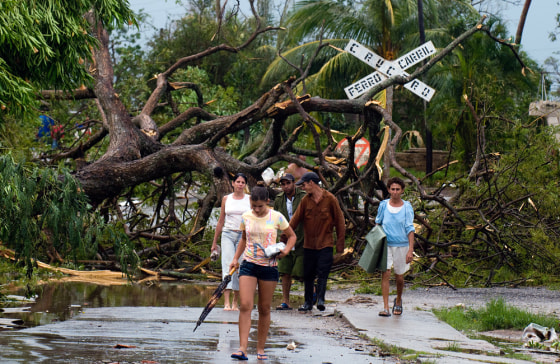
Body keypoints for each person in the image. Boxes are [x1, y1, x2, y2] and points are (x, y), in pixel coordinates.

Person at [229, 182, 296, 361]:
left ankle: (260, 348)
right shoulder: (246, 217)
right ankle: (242, 348)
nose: (257, 210)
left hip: (269, 267)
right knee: (245, 305)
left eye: (260, 206)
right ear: (250, 203)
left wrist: (286, 250)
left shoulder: (277, 217)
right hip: (249, 264)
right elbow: (243, 239)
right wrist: (236, 258)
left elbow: (292, 236)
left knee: (264, 308)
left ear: (267, 201)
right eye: (254, 206)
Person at [289, 171, 346, 312]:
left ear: (312, 183)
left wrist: (340, 246)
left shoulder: (330, 199)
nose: (303, 187)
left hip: (325, 243)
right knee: (308, 274)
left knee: (323, 272)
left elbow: (340, 222)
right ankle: (308, 302)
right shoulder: (305, 201)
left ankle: (320, 299)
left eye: (304, 184)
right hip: (309, 245)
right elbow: (294, 221)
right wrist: (285, 237)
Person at [375, 177, 415, 317]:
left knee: (399, 276)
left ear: (402, 190)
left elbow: (410, 229)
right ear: (388, 190)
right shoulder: (383, 205)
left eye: (398, 189)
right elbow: (378, 224)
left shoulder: (407, 207)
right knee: (385, 273)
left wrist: (410, 250)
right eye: (393, 189)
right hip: (386, 245)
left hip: (401, 245)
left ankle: (398, 300)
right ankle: (385, 307)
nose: (395, 192)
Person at [211, 173, 251, 311]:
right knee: (227, 266)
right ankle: (226, 302)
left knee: (239, 267)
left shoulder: (249, 199)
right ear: (232, 183)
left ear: (245, 185)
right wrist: (214, 242)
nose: (240, 184)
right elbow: (221, 220)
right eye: (238, 182)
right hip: (228, 233)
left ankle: (235, 301)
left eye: (243, 182)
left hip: (243, 236)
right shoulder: (226, 199)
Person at [273, 173, 306, 310]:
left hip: (302, 237)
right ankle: (286, 301)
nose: (286, 186)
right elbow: (275, 218)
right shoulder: (279, 199)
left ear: (294, 183)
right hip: (285, 238)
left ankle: (310, 297)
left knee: (301, 271)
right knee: (284, 271)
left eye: (288, 183)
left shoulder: (303, 196)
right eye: (283, 184)